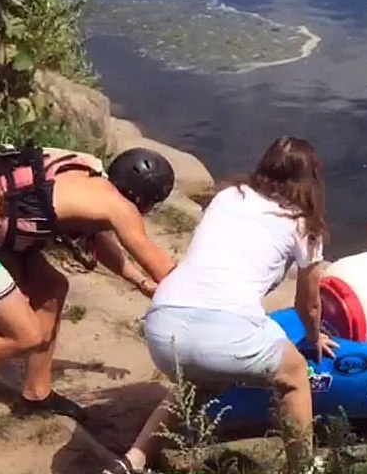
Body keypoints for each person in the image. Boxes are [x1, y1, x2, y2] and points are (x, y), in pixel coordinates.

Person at [0, 144, 179, 432]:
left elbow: (102, 242)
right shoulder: (119, 207)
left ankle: (37, 394)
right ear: (144, 200)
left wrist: (141, 283)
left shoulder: (91, 177)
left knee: (51, 289)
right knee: (24, 336)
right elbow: (166, 272)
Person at [104, 136, 336, 474]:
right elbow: (309, 305)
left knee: (196, 383)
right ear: (310, 179)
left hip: (163, 326)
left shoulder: (229, 196)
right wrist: (315, 338)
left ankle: (132, 460)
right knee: (295, 374)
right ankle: (304, 468)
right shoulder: (302, 224)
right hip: (223, 333)